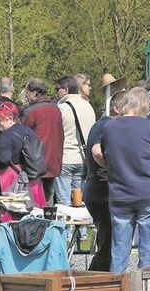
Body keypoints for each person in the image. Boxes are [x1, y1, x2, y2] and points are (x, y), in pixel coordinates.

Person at [100, 87, 150, 272]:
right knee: (147, 253)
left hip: (120, 194)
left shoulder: (109, 128)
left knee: (119, 253)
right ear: (144, 106)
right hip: (149, 193)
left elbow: (106, 156)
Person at [86, 90, 128, 271]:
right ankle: (98, 282)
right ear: (117, 108)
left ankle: (96, 278)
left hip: (98, 189)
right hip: (101, 191)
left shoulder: (104, 125)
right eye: (128, 109)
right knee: (108, 243)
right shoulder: (105, 126)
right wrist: (113, 169)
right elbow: (96, 151)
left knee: (107, 242)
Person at [0, 101, 44, 204]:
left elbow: (4, 159)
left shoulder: (6, 137)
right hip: (33, 181)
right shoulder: (30, 132)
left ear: (10, 119)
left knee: (12, 213)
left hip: (13, 182)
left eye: (0, 120)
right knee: (35, 213)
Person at [23, 78, 64, 202]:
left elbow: (22, 135)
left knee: (34, 200)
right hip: (54, 161)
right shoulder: (56, 109)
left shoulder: (31, 111)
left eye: (27, 93)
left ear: (35, 93)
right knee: (48, 199)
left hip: (36, 163)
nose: (26, 96)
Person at [56, 75, 95, 207]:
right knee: (80, 201)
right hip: (83, 157)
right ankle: (82, 228)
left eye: (58, 89)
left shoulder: (62, 108)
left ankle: (66, 228)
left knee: (64, 202)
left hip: (66, 157)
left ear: (65, 90)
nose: (57, 92)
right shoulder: (88, 106)